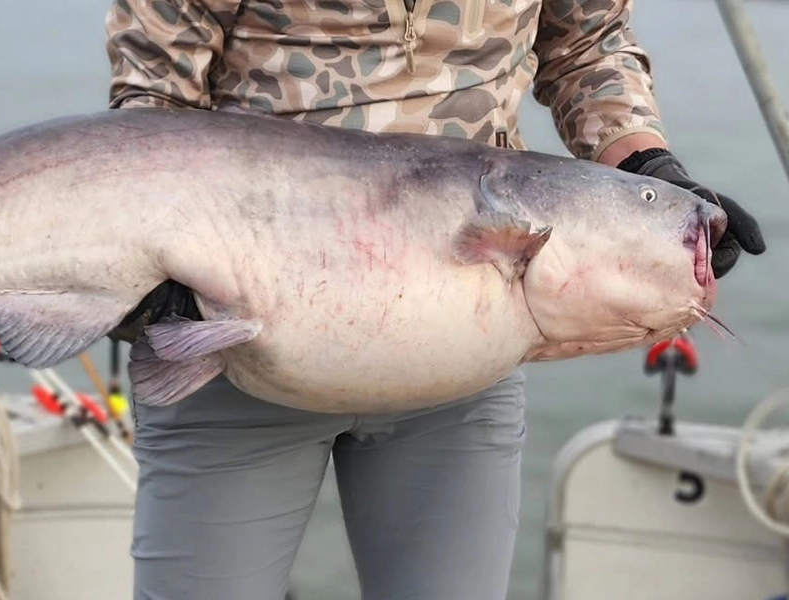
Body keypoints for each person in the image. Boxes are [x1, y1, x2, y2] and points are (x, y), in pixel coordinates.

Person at [102, 1, 766, 599]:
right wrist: (155, 253)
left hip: (464, 353)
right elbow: (155, 87)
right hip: (233, 334)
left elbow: (586, 41)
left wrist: (648, 169)